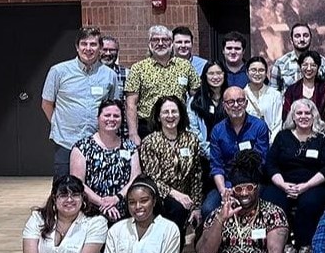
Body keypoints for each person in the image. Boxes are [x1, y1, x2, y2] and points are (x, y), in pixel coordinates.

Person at [264, 99, 325, 253]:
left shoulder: (323, 137)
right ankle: (286, 246)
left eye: (307, 113)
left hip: (315, 184)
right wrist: (283, 185)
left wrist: (305, 186)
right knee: (272, 200)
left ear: (314, 116)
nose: (303, 116)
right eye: (299, 113)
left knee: (309, 203)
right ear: (293, 116)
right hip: (284, 183)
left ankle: (305, 247)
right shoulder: (282, 136)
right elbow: (271, 164)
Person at [41, 26, 119, 178]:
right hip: (66, 142)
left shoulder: (110, 76)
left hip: (97, 142)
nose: (88, 48)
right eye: (84, 44)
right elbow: (46, 104)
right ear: (77, 47)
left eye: (93, 44)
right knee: (64, 190)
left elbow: (112, 109)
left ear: (100, 48)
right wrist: (59, 125)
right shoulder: (58, 71)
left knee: (95, 186)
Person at [137, 95, 203, 237]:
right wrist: (175, 194)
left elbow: (196, 176)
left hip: (186, 196)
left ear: (181, 114)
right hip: (160, 195)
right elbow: (151, 178)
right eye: (166, 112)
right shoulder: (150, 141)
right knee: (177, 208)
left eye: (174, 111)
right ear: (159, 116)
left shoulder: (191, 140)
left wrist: (196, 206)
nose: (170, 116)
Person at [200, 86, 271, 219]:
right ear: (224, 105)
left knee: (266, 207)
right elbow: (217, 166)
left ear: (246, 103)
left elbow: (260, 162)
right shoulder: (217, 130)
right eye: (231, 102)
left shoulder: (259, 127)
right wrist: (224, 191)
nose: (236, 105)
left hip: (253, 183)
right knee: (208, 209)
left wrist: (242, 189)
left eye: (240, 101)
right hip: (226, 183)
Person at [124, 25, 200, 144]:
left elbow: (197, 96)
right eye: (155, 40)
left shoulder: (185, 66)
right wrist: (133, 133)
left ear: (171, 43)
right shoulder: (138, 68)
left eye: (165, 40)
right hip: (148, 128)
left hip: (177, 126)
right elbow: (131, 104)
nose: (160, 43)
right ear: (149, 43)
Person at [70, 100, 141, 221]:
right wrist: (102, 202)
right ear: (98, 118)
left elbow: (135, 177)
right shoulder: (82, 147)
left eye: (116, 116)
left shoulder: (130, 147)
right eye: (107, 115)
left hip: (124, 209)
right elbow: (78, 183)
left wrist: (116, 198)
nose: (112, 119)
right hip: (91, 211)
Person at [270, 23, 325, 92]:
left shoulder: (323, 63)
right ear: (291, 40)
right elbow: (273, 95)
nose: (302, 39)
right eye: (297, 36)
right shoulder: (280, 63)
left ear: (311, 38)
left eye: (305, 36)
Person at [188, 60, 227, 157]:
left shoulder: (230, 98)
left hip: (228, 153)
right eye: (211, 73)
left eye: (219, 73)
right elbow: (193, 130)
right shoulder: (196, 101)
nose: (215, 77)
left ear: (224, 75)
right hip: (203, 154)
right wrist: (209, 152)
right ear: (205, 76)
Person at [282, 50, 325, 124]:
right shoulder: (291, 90)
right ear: (300, 66)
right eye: (305, 65)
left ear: (318, 67)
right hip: (296, 132)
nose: (309, 68)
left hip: (320, 131)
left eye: (313, 65)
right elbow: (287, 116)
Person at [245, 56, 283, 142]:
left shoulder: (275, 95)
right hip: (247, 142)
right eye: (253, 70)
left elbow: (278, 123)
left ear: (266, 73)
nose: (257, 73)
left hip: (270, 142)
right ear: (247, 72)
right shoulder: (242, 95)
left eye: (261, 70)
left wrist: (271, 142)